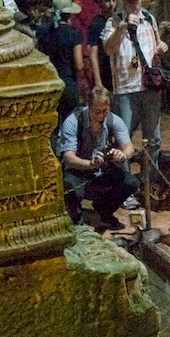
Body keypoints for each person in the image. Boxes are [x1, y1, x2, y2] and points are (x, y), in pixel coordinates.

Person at [102, 0, 169, 197]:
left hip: (149, 87)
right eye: (128, 0)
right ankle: (127, 187)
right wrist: (121, 28)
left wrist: (161, 46)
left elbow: (156, 47)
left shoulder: (149, 18)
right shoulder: (113, 21)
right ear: (123, 0)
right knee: (124, 138)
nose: (133, 4)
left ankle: (150, 183)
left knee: (154, 138)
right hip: (125, 90)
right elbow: (108, 50)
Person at [58, 86, 139, 231]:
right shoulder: (73, 122)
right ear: (89, 107)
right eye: (97, 112)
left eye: (105, 111)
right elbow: (69, 157)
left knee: (131, 182)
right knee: (70, 186)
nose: (101, 116)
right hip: (79, 170)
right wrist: (90, 163)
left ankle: (104, 210)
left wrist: (123, 154)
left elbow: (129, 145)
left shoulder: (113, 120)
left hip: (101, 171)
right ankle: (76, 219)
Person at [36, 0, 83, 126]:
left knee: (52, 125)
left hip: (49, 83)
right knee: (70, 124)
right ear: (69, 14)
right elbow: (79, 65)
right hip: (68, 83)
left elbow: (38, 54)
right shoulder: (73, 33)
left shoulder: (42, 31)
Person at [87, 0, 119, 91]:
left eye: (114, 0)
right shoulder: (96, 24)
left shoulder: (119, 21)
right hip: (104, 71)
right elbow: (93, 54)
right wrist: (98, 82)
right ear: (100, 1)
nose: (111, 4)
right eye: (107, 0)